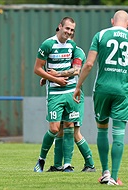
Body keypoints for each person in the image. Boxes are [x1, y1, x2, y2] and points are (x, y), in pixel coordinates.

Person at [73, 10, 128, 185]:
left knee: (102, 130)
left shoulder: (101, 35)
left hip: (102, 89)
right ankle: (114, 176)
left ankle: (104, 172)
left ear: (112, 21)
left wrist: (78, 86)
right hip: (122, 91)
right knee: (119, 134)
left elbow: (89, 64)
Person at [40, 29, 96, 172]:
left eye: (71, 35)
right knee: (59, 131)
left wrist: (54, 75)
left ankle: (88, 164)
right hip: (61, 95)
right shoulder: (59, 51)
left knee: (74, 131)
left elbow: (76, 70)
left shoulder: (78, 52)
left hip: (74, 95)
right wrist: (48, 77)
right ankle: (58, 165)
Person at [33, 17, 80, 173]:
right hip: (55, 92)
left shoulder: (72, 45)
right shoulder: (48, 44)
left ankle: (67, 165)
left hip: (70, 91)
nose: (69, 32)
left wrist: (52, 76)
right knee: (54, 129)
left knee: (69, 126)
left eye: (72, 30)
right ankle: (41, 160)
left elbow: (75, 68)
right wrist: (54, 79)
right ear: (60, 26)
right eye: (67, 28)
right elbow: (37, 68)